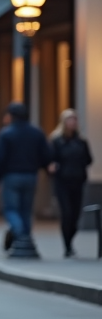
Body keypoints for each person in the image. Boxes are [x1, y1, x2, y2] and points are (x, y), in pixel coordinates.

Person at [0, 102, 51, 256]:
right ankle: (26, 238)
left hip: (12, 175)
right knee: (26, 209)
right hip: (31, 175)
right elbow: (46, 155)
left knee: (11, 209)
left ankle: (20, 235)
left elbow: (0, 159)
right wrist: (45, 167)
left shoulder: (6, 134)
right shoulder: (37, 133)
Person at [49, 109, 93, 257]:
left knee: (75, 214)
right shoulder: (56, 141)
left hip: (78, 180)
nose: (72, 123)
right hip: (62, 181)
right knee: (66, 213)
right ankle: (67, 245)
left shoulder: (81, 141)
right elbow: (50, 158)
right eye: (70, 120)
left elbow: (88, 159)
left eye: (74, 120)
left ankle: (70, 237)